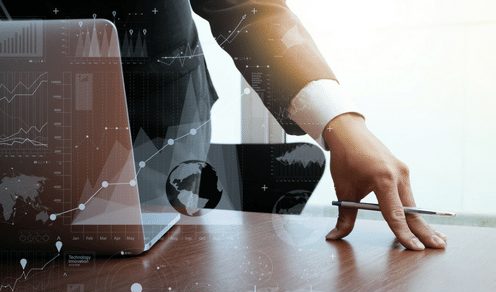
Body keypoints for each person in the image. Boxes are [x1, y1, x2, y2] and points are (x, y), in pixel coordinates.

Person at [2, 0, 446, 250]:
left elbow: (247, 8)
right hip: (15, 120)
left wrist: (341, 123)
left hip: (156, 122)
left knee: (154, 273)